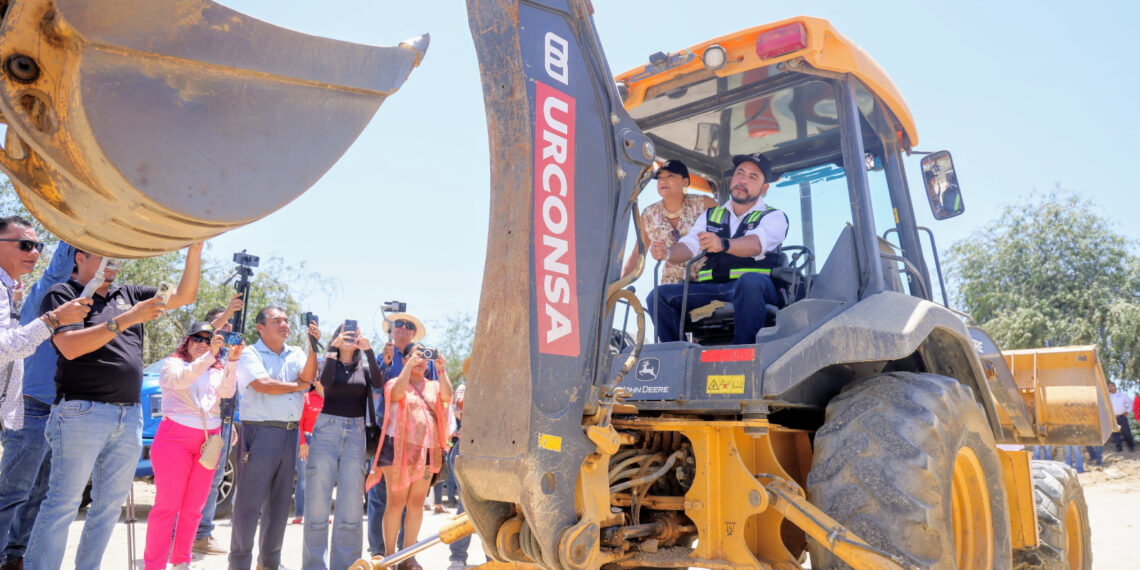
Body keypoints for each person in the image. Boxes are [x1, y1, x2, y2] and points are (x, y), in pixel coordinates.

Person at [26, 244, 201, 570]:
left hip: (129, 415)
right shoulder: (63, 293)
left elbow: (185, 295)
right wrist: (128, 318)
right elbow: (70, 348)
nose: (113, 262)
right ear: (80, 257)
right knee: (64, 503)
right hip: (81, 412)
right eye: (104, 255)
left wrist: (195, 247)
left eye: (117, 256)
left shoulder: (130, 293)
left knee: (108, 508)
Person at [0, 237, 83, 570]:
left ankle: (14, 557)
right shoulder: (47, 296)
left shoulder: (84, 306)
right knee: (13, 492)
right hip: (31, 407)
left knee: (40, 494)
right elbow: (57, 268)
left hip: (62, 412)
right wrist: (77, 231)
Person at [646, 153, 788, 345]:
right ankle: (677, 351)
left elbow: (756, 244)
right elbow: (690, 245)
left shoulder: (774, 217)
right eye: (739, 173)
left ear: (764, 188)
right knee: (658, 296)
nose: (743, 180)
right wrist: (668, 253)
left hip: (756, 288)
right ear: (732, 179)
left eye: (752, 177)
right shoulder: (710, 215)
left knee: (750, 281)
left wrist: (723, 244)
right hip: (713, 288)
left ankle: (743, 351)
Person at [144, 322, 243, 570]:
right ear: (187, 341)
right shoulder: (174, 363)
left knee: (194, 508)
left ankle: (181, 562)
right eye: (197, 338)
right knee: (167, 506)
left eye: (208, 340)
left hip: (208, 441)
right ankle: (154, 566)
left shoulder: (216, 368)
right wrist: (210, 357)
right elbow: (180, 380)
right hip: (174, 438)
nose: (203, 343)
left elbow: (227, 393)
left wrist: (231, 362)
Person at [228, 306, 320, 570]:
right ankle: (239, 564)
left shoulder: (297, 352)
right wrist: (298, 386)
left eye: (286, 320)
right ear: (260, 327)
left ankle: (269, 563)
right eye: (277, 320)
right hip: (259, 432)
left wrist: (313, 348)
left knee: (279, 506)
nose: (284, 324)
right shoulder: (250, 353)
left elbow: (308, 377)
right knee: (248, 504)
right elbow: (263, 385)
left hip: (289, 433)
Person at [302, 323, 382, 570]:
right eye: (345, 333)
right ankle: (314, 566)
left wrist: (369, 350)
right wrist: (331, 351)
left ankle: (346, 565)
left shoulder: (363, 369)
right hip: (327, 429)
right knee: (317, 499)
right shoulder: (329, 363)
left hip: (355, 432)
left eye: (354, 333)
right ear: (337, 336)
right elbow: (325, 382)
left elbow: (379, 383)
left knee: (351, 502)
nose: (350, 337)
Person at [366, 343, 452, 570]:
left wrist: (441, 370)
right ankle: (389, 558)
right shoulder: (395, 381)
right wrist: (409, 366)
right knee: (395, 504)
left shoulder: (434, 385)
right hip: (396, 449)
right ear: (404, 360)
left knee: (416, 504)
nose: (421, 359)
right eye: (416, 355)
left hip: (426, 450)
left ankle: (408, 557)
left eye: (425, 355)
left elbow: (447, 396)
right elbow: (396, 394)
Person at [366, 311, 432, 556]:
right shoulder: (383, 356)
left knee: (412, 501)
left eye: (408, 325)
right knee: (381, 497)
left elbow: (433, 395)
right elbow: (376, 389)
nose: (402, 327)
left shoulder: (425, 358)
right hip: (388, 433)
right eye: (398, 324)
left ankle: (406, 552)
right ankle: (379, 550)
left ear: (414, 333)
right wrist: (385, 364)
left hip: (417, 438)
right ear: (391, 330)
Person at [193, 301, 245, 556]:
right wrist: (227, 313)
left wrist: (231, 421)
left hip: (222, 423)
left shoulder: (230, 355)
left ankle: (202, 534)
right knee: (191, 479)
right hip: (198, 423)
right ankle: (178, 533)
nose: (227, 329)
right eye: (223, 325)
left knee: (213, 481)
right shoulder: (199, 351)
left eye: (230, 326)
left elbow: (231, 390)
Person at [621, 160, 717, 284]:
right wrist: (615, 286)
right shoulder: (649, 215)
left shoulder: (705, 204)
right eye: (660, 177)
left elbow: (726, 236)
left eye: (670, 176)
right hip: (670, 288)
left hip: (708, 284)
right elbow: (637, 255)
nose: (662, 181)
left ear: (685, 182)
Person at [293, 381, 325, 525]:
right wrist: (302, 443)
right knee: (304, 477)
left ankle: (321, 514)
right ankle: (300, 514)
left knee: (322, 478)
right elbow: (299, 422)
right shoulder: (306, 397)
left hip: (325, 442)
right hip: (307, 439)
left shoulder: (331, 400)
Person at [1108, 382, 1135, 452]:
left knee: (1127, 432)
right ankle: (1118, 448)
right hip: (1113, 418)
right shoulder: (1107, 397)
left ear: (1115, 387)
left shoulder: (1122, 395)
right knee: (1115, 433)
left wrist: (1128, 411)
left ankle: (1131, 446)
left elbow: (1130, 402)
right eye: (1109, 386)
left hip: (1122, 416)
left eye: (1112, 386)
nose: (1111, 388)